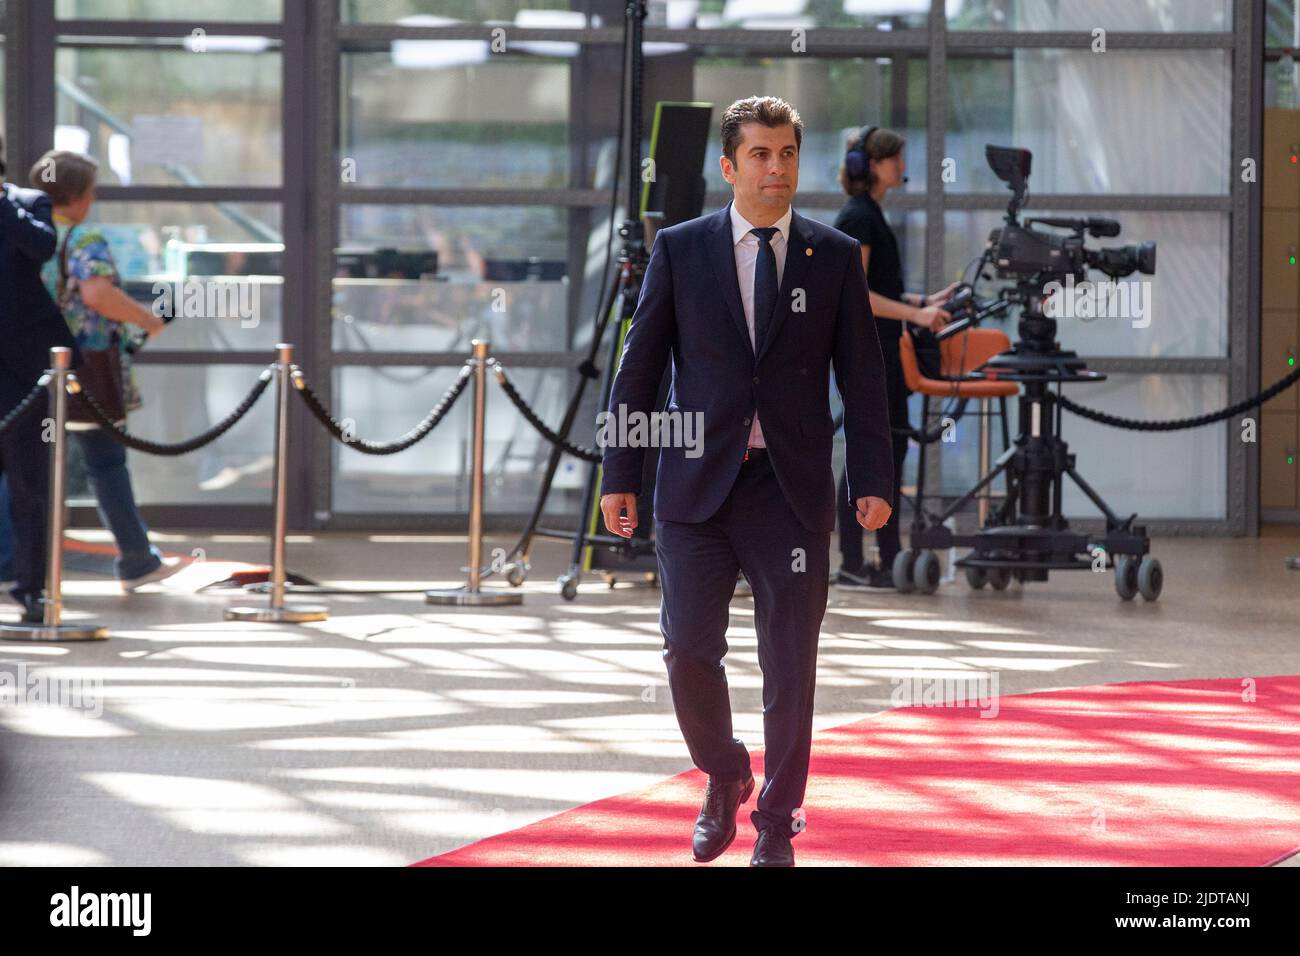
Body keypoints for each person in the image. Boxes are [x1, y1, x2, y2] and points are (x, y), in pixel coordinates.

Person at [598, 96, 895, 866]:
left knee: (789, 662)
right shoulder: (681, 248)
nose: (776, 168)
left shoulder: (831, 257)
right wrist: (619, 471)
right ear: (729, 167)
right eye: (760, 155)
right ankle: (725, 771)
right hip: (695, 488)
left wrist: (872, 476)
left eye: (788, 153)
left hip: (789, 492)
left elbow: (863, 377)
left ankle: (775, 821)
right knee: (687, 650)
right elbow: (639, 368)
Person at [30, 150, 180, 592]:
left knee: (23, 462)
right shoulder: (81, 237)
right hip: (84, 365)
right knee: (106, 462)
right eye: (91, 192)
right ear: (77, 197)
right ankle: (136, 558)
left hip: (27, 365)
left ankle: (12, 561)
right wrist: (147, 319)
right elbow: (97, 293)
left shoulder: (22, 230)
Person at [831, 125, 958, 590]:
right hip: (872, 354)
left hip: (883, 350)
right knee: (872, 454)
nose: (902, 168)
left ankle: (886, 558)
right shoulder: (860, 218)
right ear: (874, 166)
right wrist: (916, 316)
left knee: (889, 451)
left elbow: (878, 289)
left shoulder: (870, 215)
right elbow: (857, 293)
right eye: (896, 160)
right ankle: (853, 561)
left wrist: (922, 301)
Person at [0, 136, 82, 623]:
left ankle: (34, 590)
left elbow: (40, 247)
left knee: (30, 485)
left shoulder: (29, 204)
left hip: (23, 375)